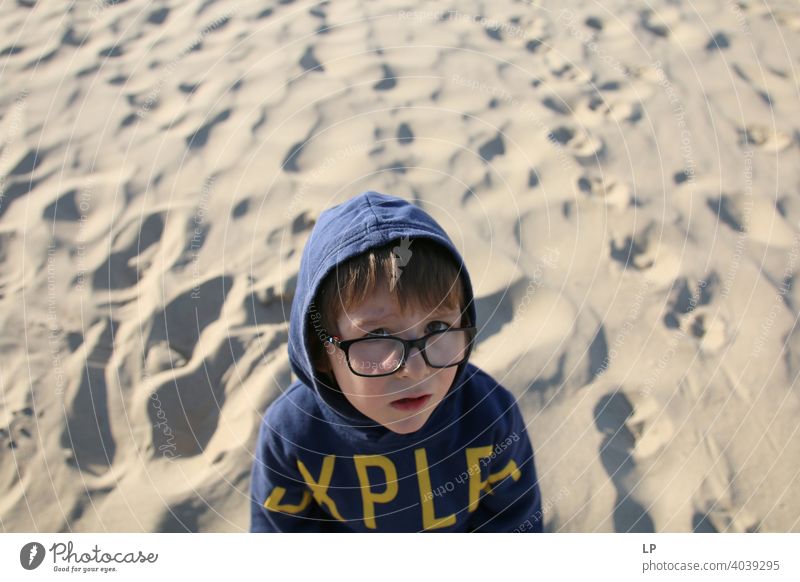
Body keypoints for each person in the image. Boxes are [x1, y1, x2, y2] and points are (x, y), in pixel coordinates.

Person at [250, 191, 544, 532]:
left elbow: (514, 521)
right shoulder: (293, 432)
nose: (416, 368)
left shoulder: (490, 415)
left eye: (437, 327)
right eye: (376, 336)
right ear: (321, 351)